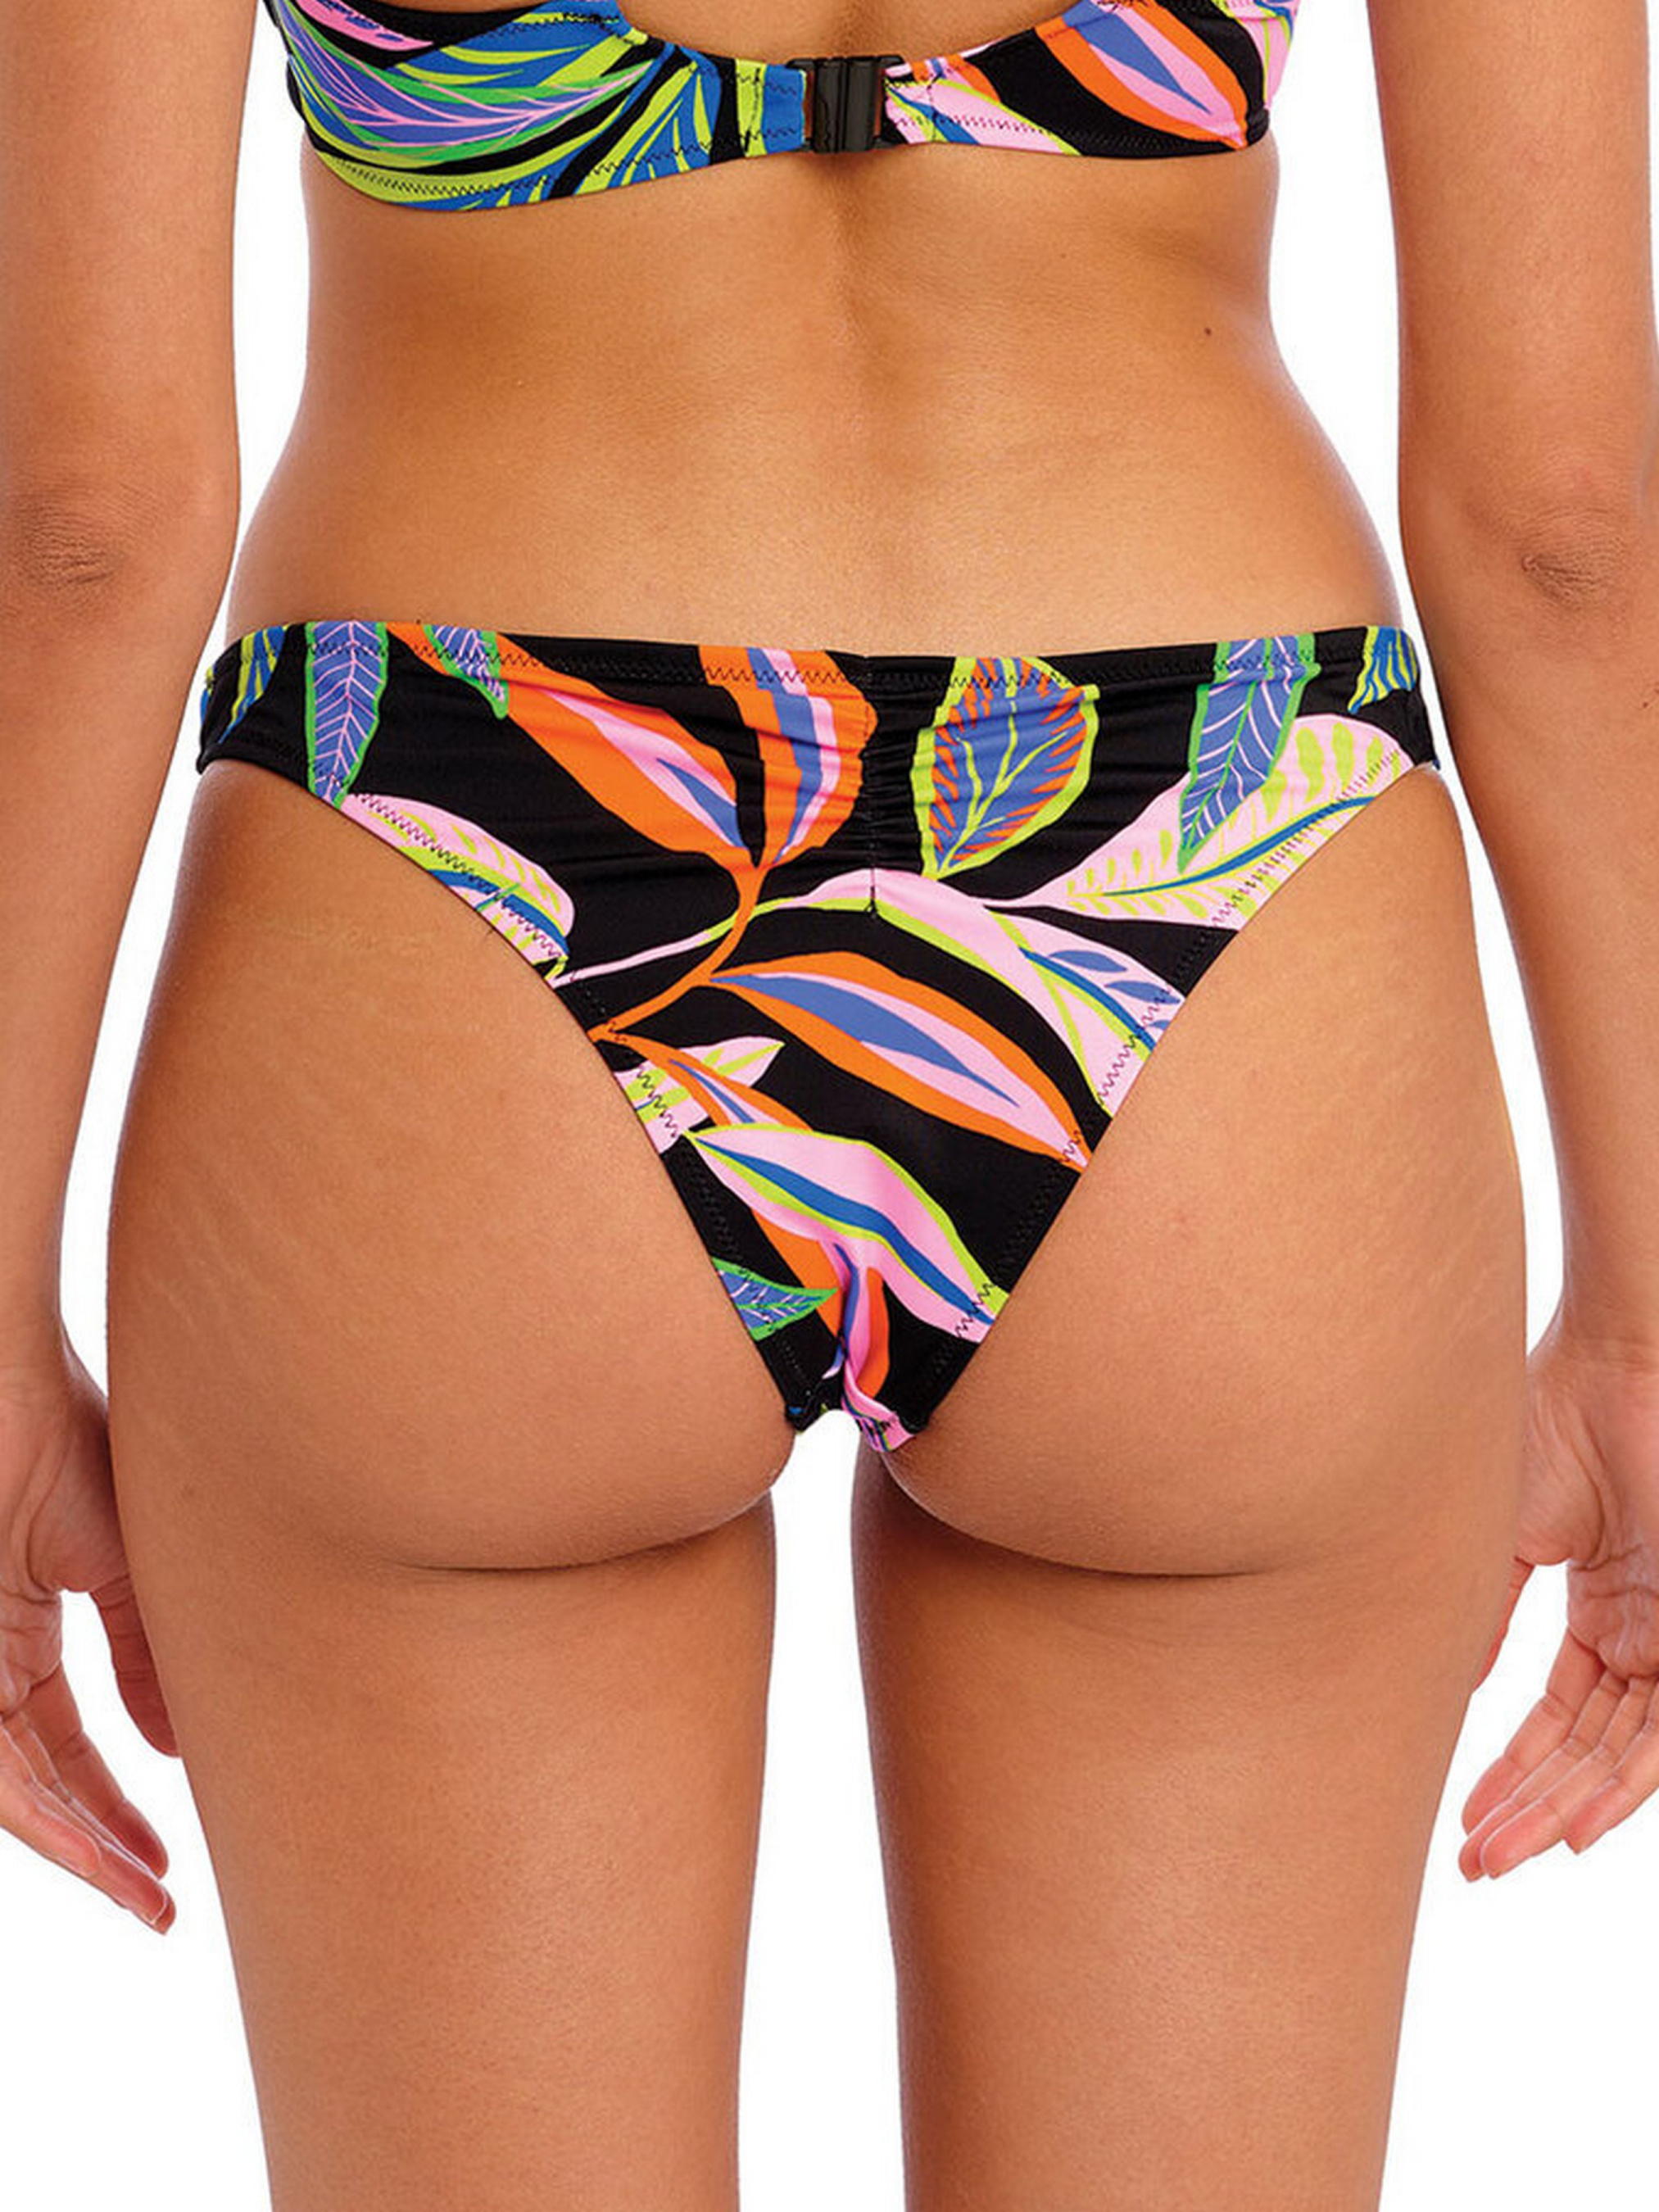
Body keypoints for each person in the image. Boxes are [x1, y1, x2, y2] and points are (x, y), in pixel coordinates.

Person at [2, 0, 1656, 2203]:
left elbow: (85, 527)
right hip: (1215, 859)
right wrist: (1644, 1318)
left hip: (448, 876)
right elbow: (1559, 526)